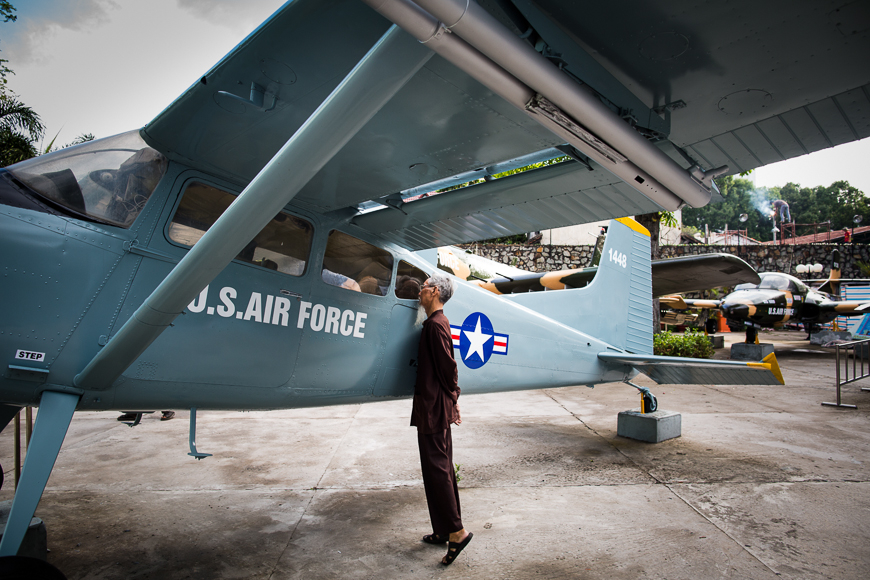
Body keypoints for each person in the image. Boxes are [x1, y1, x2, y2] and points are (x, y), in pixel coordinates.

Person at [411, 273, 472, 566]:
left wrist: (454, 398)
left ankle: (457, 532)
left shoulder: (436, 326)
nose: (419, 293)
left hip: (434, 410)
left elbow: (449, 368)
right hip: (433, 408)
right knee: (439, 468)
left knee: (438, 471)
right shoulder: (435, 324)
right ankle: (443, 529)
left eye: (423, 288)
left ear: (434, 292)